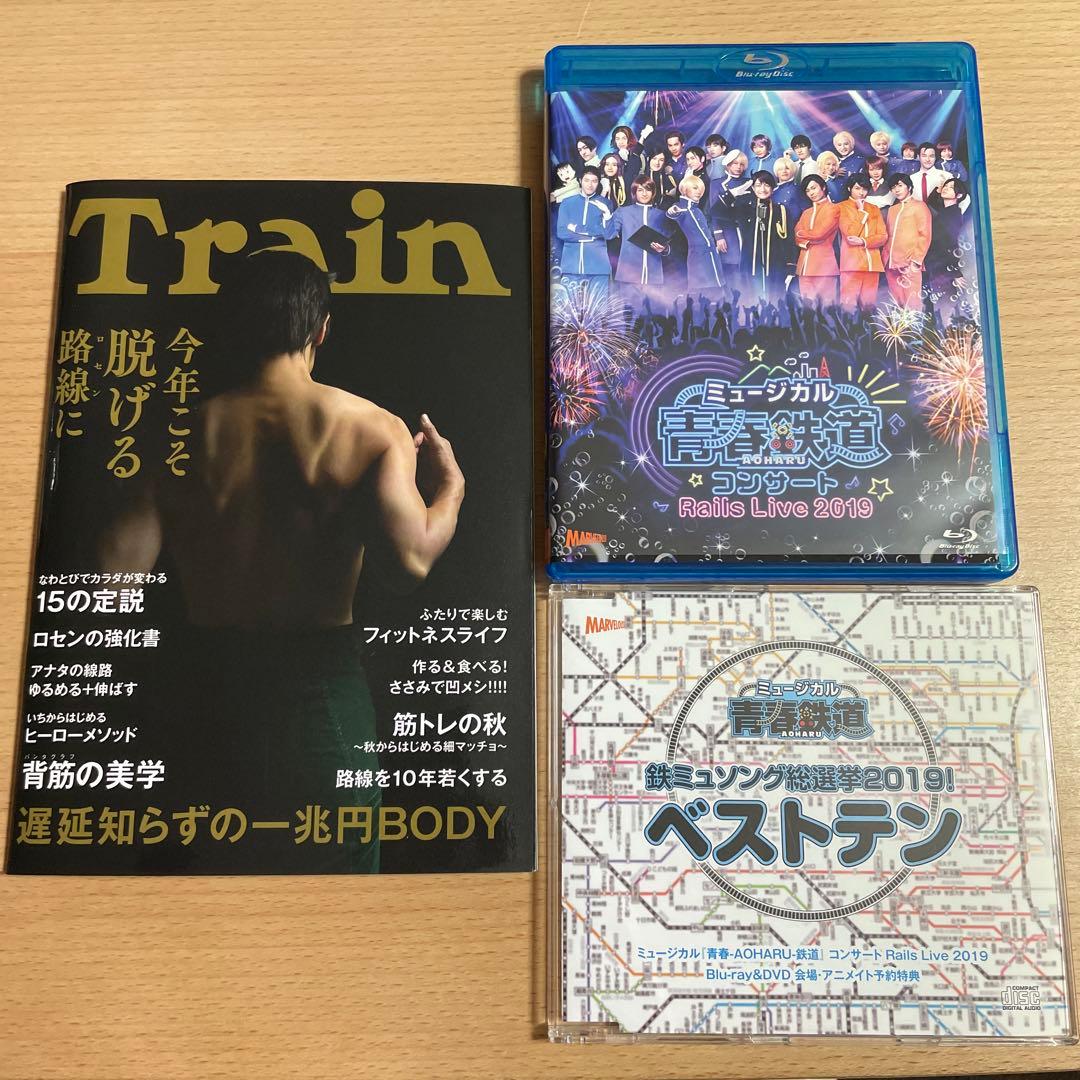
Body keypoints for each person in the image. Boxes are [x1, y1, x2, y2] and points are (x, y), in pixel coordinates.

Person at [97, 250, 466, 873]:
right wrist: (451, 487)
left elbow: (111, 585)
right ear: (321, 329)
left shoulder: (175, 434)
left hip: (203, 698)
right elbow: (410, 566)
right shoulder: (373, 428)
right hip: (319, 699)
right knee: (336, 899)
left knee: (200, 897)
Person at [666, 174, 726, 296]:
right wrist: (673, 211)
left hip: (711, 252)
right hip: (697, 254)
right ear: (684, 189)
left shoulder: (697, 210)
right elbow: (672, 213)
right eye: (694, 188)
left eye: (701, 189)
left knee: (717, 287)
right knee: (701, 289)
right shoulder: (681, 207)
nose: (698, 192)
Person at [742, 171, 795, 304]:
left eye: (767, 185)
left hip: (775, 265)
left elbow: (788, 240)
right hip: (751, 264)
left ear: (772, 188)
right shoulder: (745, 208)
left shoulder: (781, 210)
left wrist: (790, 266)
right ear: (753, 188)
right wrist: (734, 193)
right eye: (758, 185)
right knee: (752, 302)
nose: (763, 189)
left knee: (776, 301)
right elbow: (717, 212)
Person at [611, 178, 673, 291]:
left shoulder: (662, 215)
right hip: (629, 275)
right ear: (634, 192)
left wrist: (664, 248)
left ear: (653, 192)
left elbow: (669, 245)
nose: (644, 194)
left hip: (654, 276)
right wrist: (606, 217)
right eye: (640, 190)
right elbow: (610, 234)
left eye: (648, 190)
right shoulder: (623, 212)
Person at [837, 174, 887, 309]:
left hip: (872, 264)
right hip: (851, 264)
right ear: (849, 189)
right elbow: (850, 235)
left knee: (868, 307)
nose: (861, 193)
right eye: (857, 188)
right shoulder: (841, 207)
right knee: (848, 307)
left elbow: (883, 236)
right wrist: (861, 212)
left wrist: (863, 241)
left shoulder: (874, 208)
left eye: (864, 189)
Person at [556, 165, 615, 279]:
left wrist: (577, 229)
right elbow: (562, 233)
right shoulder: (567, 203)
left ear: (598, 183)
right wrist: (593, 237)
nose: (590, 185)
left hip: (598, 267)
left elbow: (608, 234)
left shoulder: (606, 204)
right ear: (580, 181)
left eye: (594, 181)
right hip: (571, 266)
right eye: (586, 180)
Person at [884, 172, 932, 308]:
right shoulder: (892, 210)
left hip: (910, 263)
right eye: (893, 187)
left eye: (900, 185)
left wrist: (916, 261)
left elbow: (925, 235)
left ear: (909, 187)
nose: (896, 190)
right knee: (897, 304)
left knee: (913, 303)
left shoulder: (920, 206)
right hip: (890, 264)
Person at [926, 176, 974, 308]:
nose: (946, 188)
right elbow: (931, 202)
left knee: (945, 304)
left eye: (951, 187)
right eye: (945, 186)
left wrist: (955, 273)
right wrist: (939, 188)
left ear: (959, 195)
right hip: (937, 264)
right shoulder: (945, 211)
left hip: (944, 267)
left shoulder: (953, 215)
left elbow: (952, 244)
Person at [794, 174, 841, 306]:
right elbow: (796, 235)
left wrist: (803, 236)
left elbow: (819, 234)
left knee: (826, 308)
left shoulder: (833, 208)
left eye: (813, 188)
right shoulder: (806, 212)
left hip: (824, 266)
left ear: (823, 187)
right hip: (804, 267)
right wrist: (804, 238)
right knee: (807, 309)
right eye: (807, 190)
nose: (811, 193)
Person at [772, 156, 810, 227]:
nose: (784, 171)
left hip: (795, 228)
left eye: (787, 168)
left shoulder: (798, 189)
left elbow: (807, 212)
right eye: (780, 169)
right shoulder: (773, 191)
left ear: (792, 170)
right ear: (776, 172)